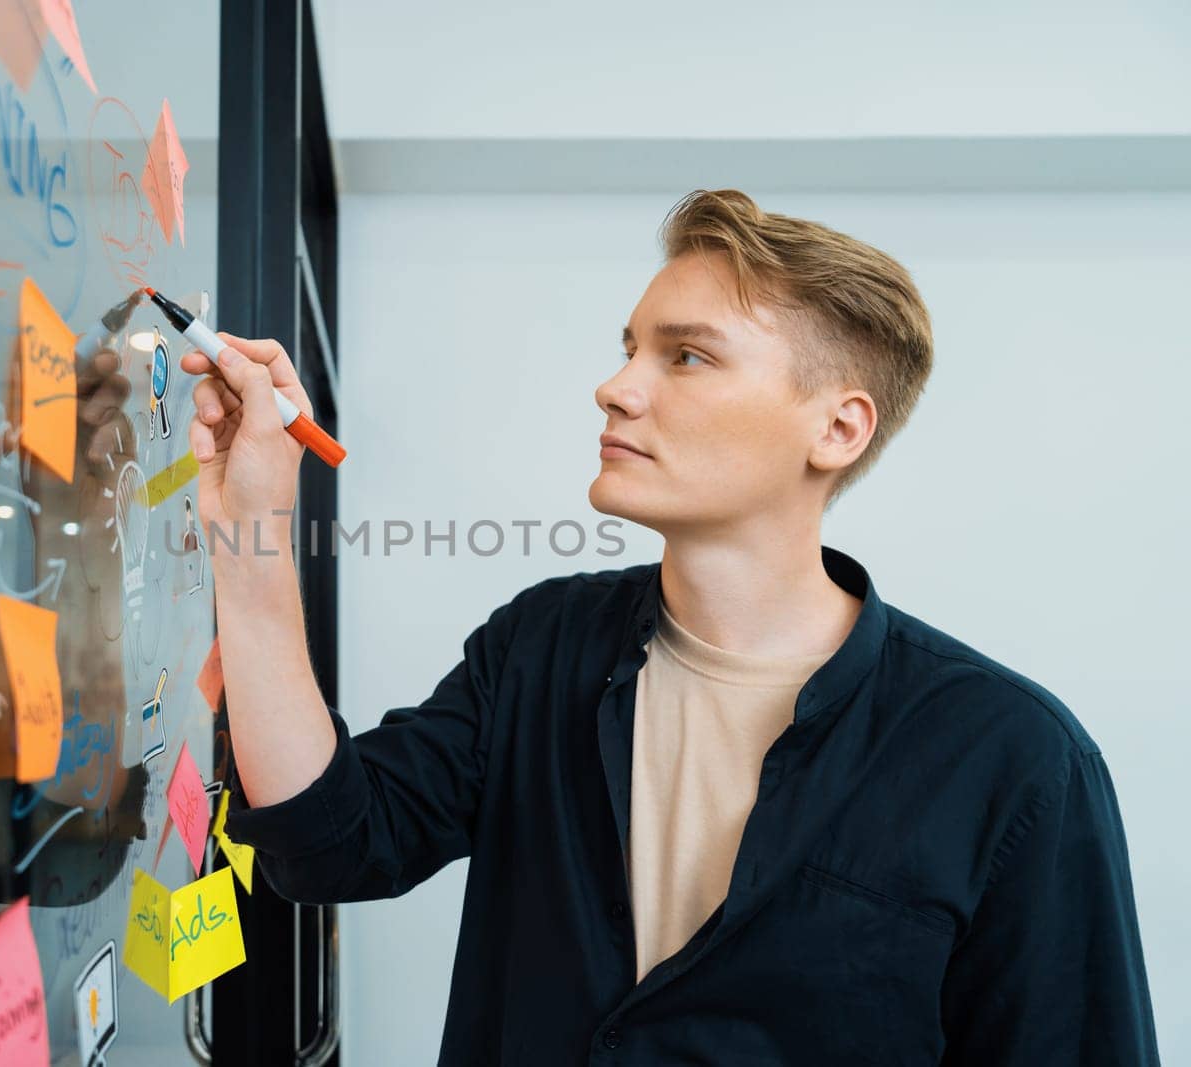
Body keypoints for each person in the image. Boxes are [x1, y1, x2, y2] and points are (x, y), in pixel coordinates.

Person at [179, 189, 1161, 1065]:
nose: (616, 387)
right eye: (629, 347)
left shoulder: (1014, 758)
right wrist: (246, 522)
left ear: (837, 428)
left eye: (685, 355)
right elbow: (331, 842)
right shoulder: (539, 645)